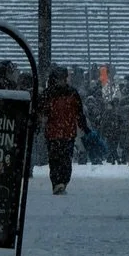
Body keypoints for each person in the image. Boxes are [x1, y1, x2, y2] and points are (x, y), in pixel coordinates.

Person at [41, 66, 88, 195]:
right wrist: (83, 127)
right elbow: (79, 112)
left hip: (55, 132)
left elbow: (43, 113)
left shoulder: (48, 94)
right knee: (63, 159)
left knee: (57, 159)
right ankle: (61, 182)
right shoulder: (71, 93)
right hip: (65, 132)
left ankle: (58, 182)